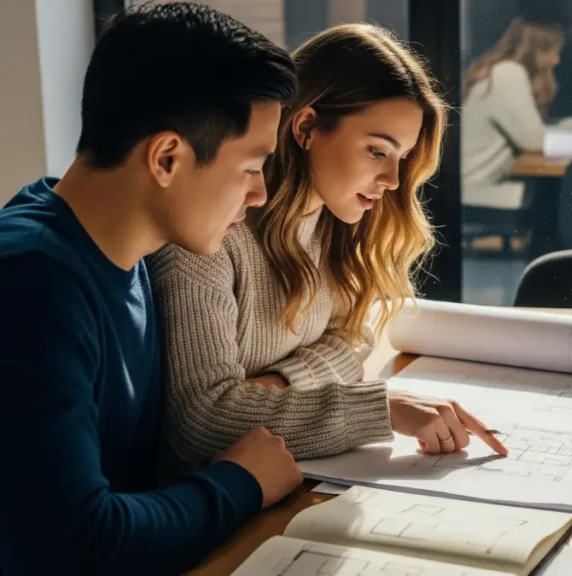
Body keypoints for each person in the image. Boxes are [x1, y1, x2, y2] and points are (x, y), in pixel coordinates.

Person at [0, 4, 304, 574]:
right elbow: (75, 540)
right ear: (167, 157)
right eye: (251, 167)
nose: (261, 194)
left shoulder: (126, 251)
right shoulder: (32, 281)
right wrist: (239, 482)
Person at [149, 23, 508, 468]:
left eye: (402, 158)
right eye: (377, 151)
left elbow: (354, 339)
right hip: (207, 502)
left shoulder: (338, 222)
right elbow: (204, 422)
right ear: (306, 128)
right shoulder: (210, 236)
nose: (393, 181)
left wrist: (276, 386)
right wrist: (380, 408)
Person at [461, 17, 572, 210]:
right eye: (551, 52)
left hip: (473, 186)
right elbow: (534, 140)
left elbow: (532, 130)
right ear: (533, 50)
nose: (557, 60)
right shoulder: (508, 73)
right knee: (563, 199)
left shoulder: (498, 70)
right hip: (479, 191)